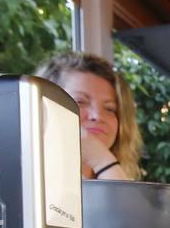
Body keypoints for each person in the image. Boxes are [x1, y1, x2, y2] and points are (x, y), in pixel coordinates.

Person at [35, 51, 143, 181]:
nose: (97, 116)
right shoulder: (32, 182)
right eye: (80, 102)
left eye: (109, 108)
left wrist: (103, 161)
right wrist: (103, 162)